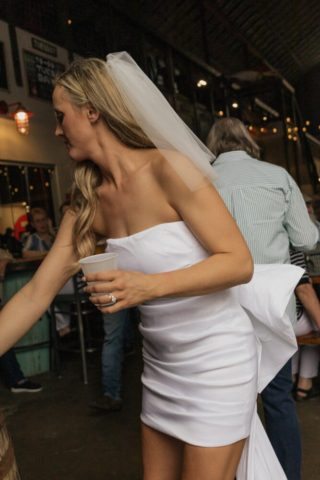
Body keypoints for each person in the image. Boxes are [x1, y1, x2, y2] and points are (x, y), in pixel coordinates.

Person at [0, 54, 305, 480]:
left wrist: (146, 287)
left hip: (218, 363)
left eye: (60, 116)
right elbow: (36, 293)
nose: (55, 129)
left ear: (92, 111)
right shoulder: (88, 205)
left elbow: (238, 262)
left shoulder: (169, 169)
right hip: (161, 369)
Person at [207, 117, 318, 480]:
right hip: (271, 308)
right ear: (247, 141)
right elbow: (306, 241)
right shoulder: (278, 176)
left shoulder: (199, 181)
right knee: (277, 399)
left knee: (226, 405)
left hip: (216, 307)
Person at [89, 307, 139, 412]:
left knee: (112, 338)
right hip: (116, 293)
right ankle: (111, 395)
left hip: (114, 294)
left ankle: (111, 395)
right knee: (152, 336)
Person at [290, 249, 320, 401]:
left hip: (264, 319)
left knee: (292, 332)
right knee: (315, 319)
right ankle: (304, 384)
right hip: (288, 321)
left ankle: (292, 378)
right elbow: (304, 289)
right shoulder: (288, 250)